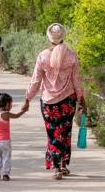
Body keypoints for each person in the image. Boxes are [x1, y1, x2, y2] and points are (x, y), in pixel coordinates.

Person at [25, 23, 87, 180]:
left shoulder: (43, 56)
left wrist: (27, 98)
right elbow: (76, 81)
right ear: (63, 36)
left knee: (53, 133)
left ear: (49, 37)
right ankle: (63, 164)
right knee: (65, 132)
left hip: (48, 102)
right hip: (68, 100)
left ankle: (57, 167)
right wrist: (81, 99)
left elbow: (36, 81)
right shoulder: (71, 55)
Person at [0, 92, 29, 181]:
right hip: (5, 141)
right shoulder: (6, 114)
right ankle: (5, 174)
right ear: (5, 104)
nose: (11, 106)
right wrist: (23, 111)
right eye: (10, 104)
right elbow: (16, 116)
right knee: (6, 157)